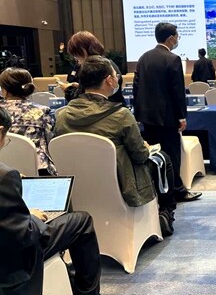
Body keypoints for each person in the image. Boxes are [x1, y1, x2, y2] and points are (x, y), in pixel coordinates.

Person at [54, 56, 178, 236]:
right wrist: (145, 147)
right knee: (163, 159)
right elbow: (140, 155)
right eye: (115, 75)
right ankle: (165, 213)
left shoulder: (62, 116)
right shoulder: (121, 115)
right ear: (109, 80)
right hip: (121, 182)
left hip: (77, 185)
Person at [0, 106, 101, 295]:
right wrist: (32, 217)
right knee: (81, 221)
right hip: (13, 263)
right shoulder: (5, 176)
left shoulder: (6, 175)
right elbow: (22, 236)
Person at [134, 22, 201, 203]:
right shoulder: (173, 59)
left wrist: (138, 114)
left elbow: (137, 87)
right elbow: (177, 91)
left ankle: (158, 189)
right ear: (171, 38)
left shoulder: (143, 58)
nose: (178, 39)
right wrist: (181, 116)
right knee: (172, 155)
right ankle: (175, 191)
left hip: (147, 117)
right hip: (167, 117)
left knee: (153, 154)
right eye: (177, 36)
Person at [0, 68, 56, 175]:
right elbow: (51, 142)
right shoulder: (43, 111)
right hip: (38, 169)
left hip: (2, 169)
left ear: (4, 90)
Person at [58, 31, 125, 105]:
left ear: (84, 50)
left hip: (106, 109)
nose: (76, 58)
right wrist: (79, 88)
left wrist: (68, 90)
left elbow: (89, 98)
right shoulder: (103, 65)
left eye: (76, 54)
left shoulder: (99, 68)